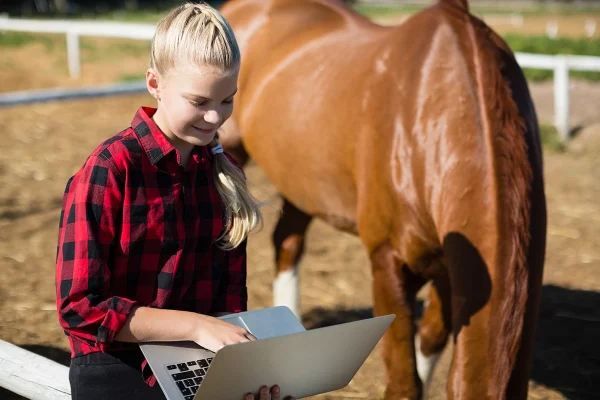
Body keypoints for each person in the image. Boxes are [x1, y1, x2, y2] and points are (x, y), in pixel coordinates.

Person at [55, 2, 294, 399]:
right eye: (199, 102)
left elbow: (228, 304)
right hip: (116, 366)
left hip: (199, 362)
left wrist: (244, 374)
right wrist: (196, 327)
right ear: (154, 83)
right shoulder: (111, 168)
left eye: (227, 100)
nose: (216, 118)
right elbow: (79, 307)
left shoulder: (224, 173)